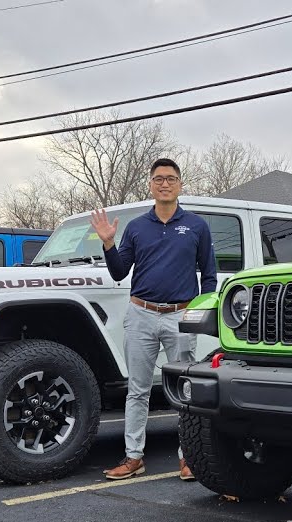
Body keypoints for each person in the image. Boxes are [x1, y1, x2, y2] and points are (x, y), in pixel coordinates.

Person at [92, 158, 216, 481]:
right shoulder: (136, 228)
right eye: (159, 178)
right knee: (138, 389)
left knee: (184, 389)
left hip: (180, 316)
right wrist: (108, 243)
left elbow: (210, 275)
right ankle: (134, 457)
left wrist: (199, 313)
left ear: (180, 184)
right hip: (141, 314)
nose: (164, 183)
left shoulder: (197, 226)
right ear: (151, 184)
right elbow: (120, 271)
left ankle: (188, 457)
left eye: (171, 178)